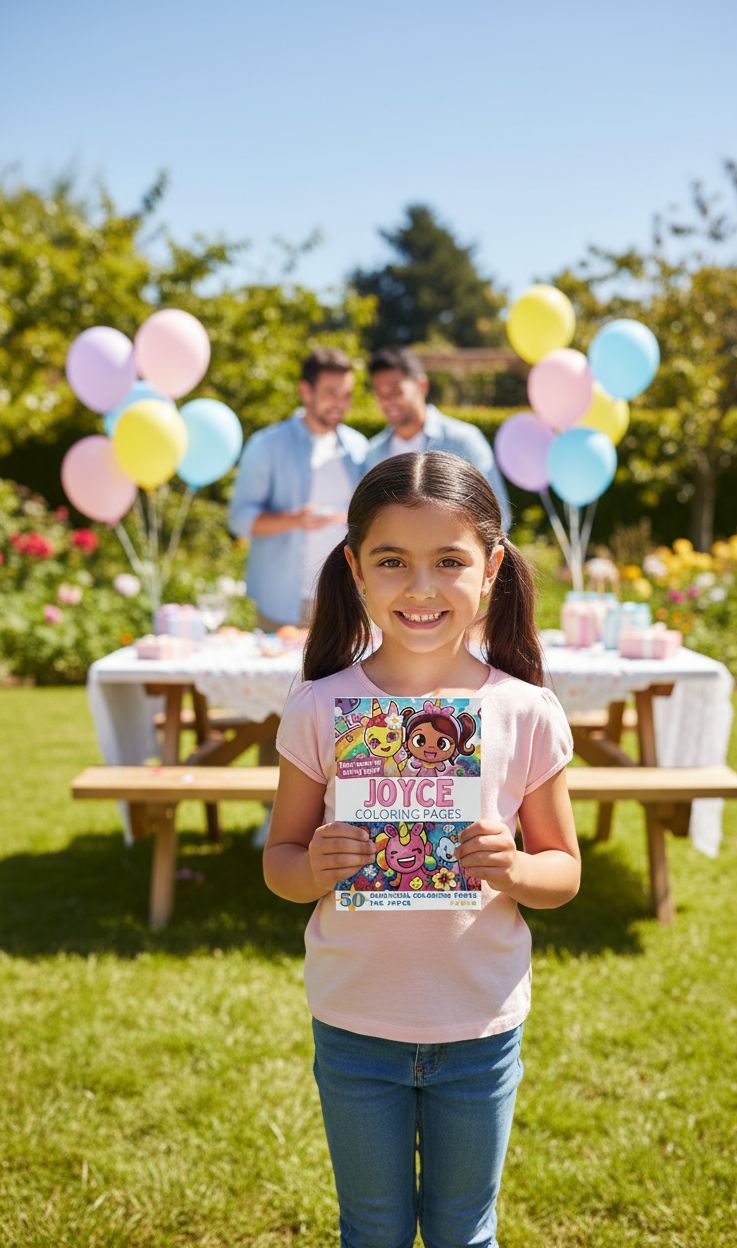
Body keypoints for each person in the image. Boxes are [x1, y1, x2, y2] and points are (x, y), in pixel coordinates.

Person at [263, 451, 579, 1247]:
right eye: (393, 561)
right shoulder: (321, 707)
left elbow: (563, 871)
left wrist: (514, 868)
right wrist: (314, 867)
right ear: (356, 571)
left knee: (464, 1231)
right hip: (355, 1023)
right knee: (369, 1229)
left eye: (450, 561)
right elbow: (281, 861)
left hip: (479, 1028)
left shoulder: (526, 711)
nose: (422, 587)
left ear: (492, 569)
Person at [228, 347, 367, 631]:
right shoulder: (266, 445)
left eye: (346, 395)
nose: (339, 403)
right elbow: (239, 518)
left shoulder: (359, 448)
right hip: (284, 602)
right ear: (306, 391)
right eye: (330, 393)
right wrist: (295, 520)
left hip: (346, 598)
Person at [363, 346, 513, 530]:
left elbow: (498, 514)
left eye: (396, 391)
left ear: (421, 386)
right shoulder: (373, 453)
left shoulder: (463, 440)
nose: (388, 401)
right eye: (380, 393)